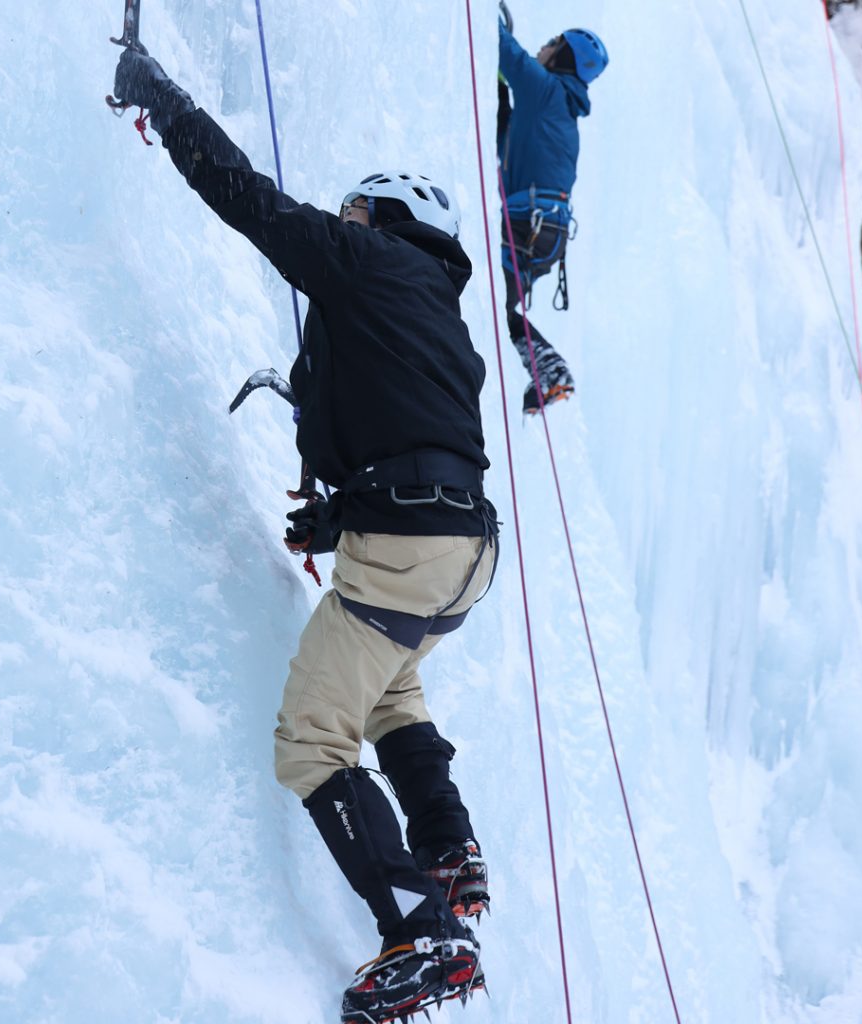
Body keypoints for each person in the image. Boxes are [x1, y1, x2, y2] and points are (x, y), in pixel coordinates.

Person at [112, 47, 498, 1024]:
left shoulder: (371, 266)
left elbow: (257, 204)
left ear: (391, 225)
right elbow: (401, 430)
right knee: (391, 684)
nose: (346, 225)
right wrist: (333, 511)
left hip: (410, 547)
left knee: (311, 739)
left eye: (359, 213)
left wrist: (162, 100)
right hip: (463, 559)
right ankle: (449, 847)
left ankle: (422, 932)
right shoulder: (438, 322)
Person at [497, 2, 609, 414]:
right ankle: (547, 371)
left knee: (488, 299)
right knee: (496, 302)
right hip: (544, 236)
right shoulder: (557, 111)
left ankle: (552, 371)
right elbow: (506, 137)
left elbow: (504, 50)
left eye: (551, 44)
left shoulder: (545, 91)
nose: (542, 48)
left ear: (562, 56)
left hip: (529, 226)